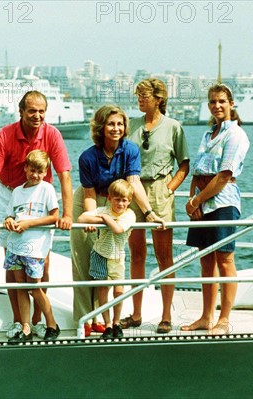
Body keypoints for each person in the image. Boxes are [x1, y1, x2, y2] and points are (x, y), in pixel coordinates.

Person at [0, 90, 73, 339]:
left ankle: (38, 319)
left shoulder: (51, 133)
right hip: (9, 194)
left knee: (43, 262)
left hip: (41, 196)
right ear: (21, 111)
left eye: (41, 111)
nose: (37, 115)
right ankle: (19, 322)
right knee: (13, 263)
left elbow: (64, 174)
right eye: (32, 110)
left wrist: (67, 214)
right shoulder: (5, 134)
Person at [71, 104, 165, 336]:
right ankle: (85, 318)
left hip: (116, 202)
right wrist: (92, 219)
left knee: (107, 257)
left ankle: (101, 314)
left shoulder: (130, 149)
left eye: (120, 124)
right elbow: (90, 194)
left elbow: (134, 182)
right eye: (111, 124)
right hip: (88, 200)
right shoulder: (88, 157)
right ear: (101, 128)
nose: (116, 128)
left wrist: (149, 212)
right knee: (84, 258)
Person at [121, 78, 190, 334]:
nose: (139, 100)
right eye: (138, 96)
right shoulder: (132, 125)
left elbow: (184, 164)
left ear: (158, 99)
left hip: (160, 191)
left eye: (144, 96)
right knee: (136, 254)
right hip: (134, 189)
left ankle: (165, 316)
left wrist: (169, 188)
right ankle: (136, 314)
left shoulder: (174, 127)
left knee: (164, 257)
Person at [181, 84, 249, 335]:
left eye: (221, 101)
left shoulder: (236, 135)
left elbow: (223, 175)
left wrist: (198, 201)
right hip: (201, 203)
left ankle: (223, 319)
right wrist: (192, 202)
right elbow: (197, 170)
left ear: (231, 104)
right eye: (212, 102)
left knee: (225, 259)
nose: (217, 106)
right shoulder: (208, 134)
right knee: (205, 260)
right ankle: (205, 316)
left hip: (222, 203)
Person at [3, 150, 61, 343]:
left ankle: (52, 323)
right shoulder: (18, 191)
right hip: (15, 246)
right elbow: (9, 214)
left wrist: (29, 224)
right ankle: (26, 327)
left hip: (35, 248)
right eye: (32, 170)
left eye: (40, 171)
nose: (35, 175)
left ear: (45, 172)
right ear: (25, 168)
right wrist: (10, 221)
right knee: (21, 286)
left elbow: (54, 216)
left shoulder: (47, 189)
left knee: (35, 287)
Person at [78, 179, 136, 339]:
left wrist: (106, 219)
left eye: (124, 200)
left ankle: (117, 322)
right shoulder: (104, 210)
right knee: (103, 290)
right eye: (117, 199)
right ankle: (108, 323)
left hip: (117, 257)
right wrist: (101, 218)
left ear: (129, 201)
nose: (120, 203)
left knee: (119, 291)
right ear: (110, 198)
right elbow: (82, 219)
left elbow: (118, 229)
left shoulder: (129, 215)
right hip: (100, 255)